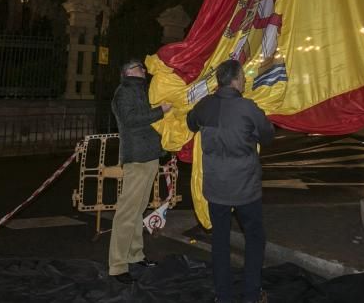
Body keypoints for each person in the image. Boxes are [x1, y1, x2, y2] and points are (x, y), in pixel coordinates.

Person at [187, 59, 275, 303]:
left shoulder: (205, 106)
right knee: (255, 237)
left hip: (216, 188)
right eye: (243, 77)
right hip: (245, 187)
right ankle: (251, 294)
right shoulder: (248, 108)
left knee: (220, 240)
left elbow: (190, 122)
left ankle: (223, 295)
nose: (245, 80)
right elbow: (267, 135)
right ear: (235, 80)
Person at [108, 59, 173, 284]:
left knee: (138, 210)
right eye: (139, 68)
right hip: (137, 157)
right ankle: (117, 266)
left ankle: (134, 255)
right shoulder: (125, 92)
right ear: (127, 73)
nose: (144, 70)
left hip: (148, 155)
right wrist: (160, 111)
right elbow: (131, 120)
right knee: (128, 211)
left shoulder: (140, 91)